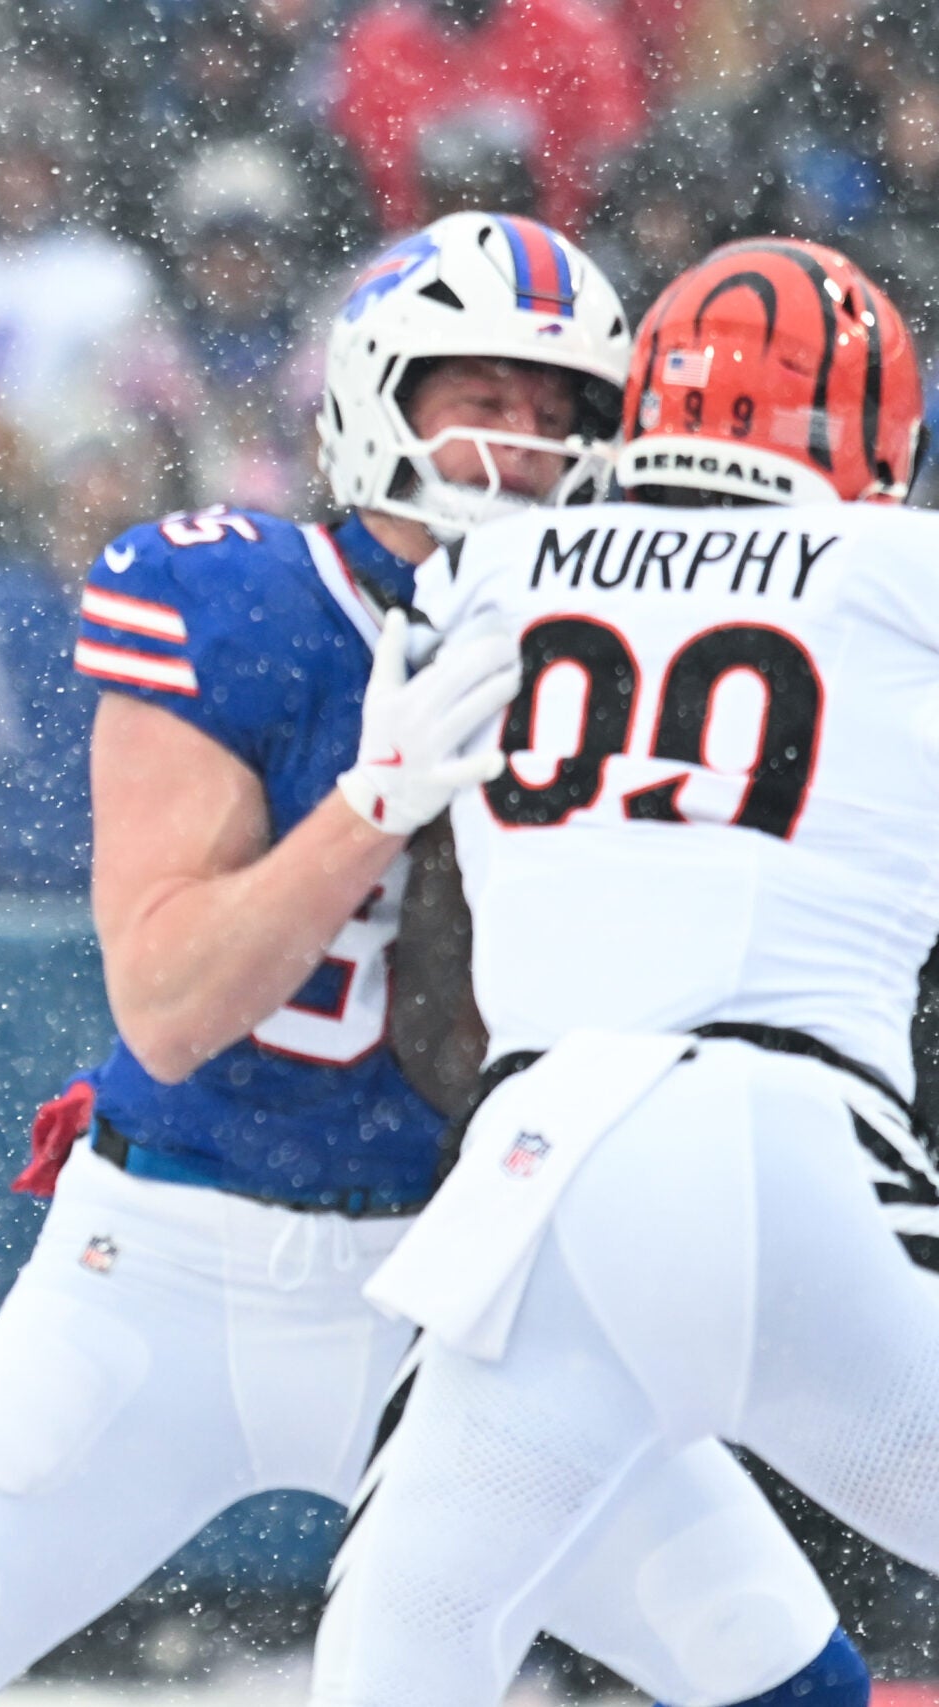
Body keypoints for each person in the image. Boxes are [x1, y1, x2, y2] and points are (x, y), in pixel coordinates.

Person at [0, 213, 868, 1707]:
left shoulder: (643, 645)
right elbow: (168, 1009)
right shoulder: (233, 601)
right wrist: (378, 802)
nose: (523, 446)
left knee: (788, 1676)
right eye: (481, 399)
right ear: (379, 393)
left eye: (561, 411)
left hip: (477, 1292)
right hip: (161, 1273)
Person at [308, 240, 939, 1706]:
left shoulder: (479, 566)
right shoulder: (904, 574)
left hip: (549, 1178)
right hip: (797, 1141)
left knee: (401, 1658)